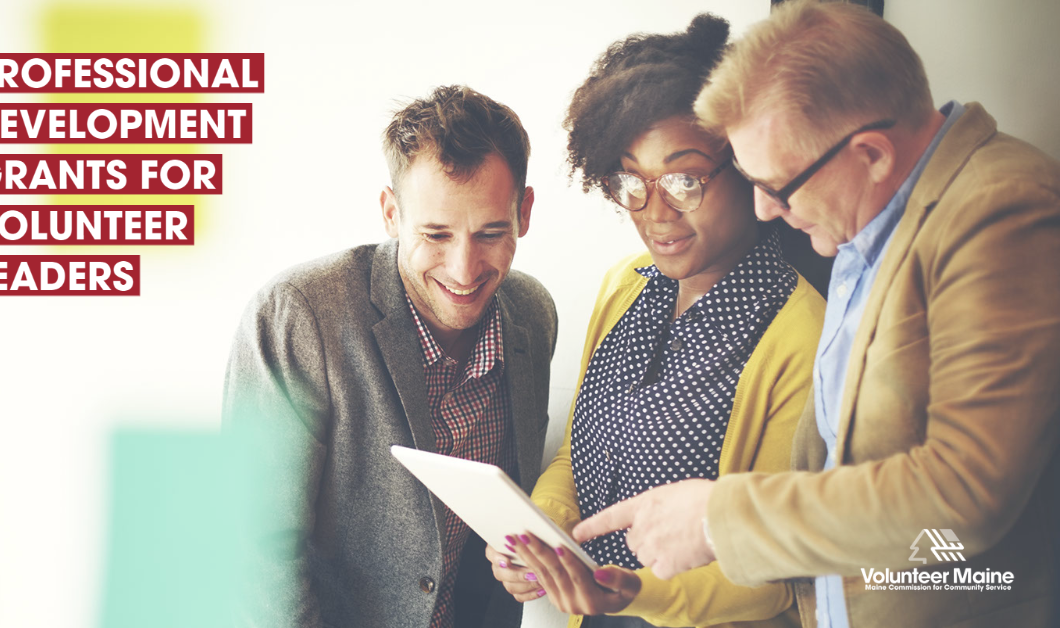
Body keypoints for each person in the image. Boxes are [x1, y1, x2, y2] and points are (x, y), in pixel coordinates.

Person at [573, 1, 1060, 626]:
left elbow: (963, 494)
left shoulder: (1001, 211)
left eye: (777, 186)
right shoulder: (868, 227)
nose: (767, 210)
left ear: (872, 155)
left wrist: (719, 519)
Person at [485, 15, 825, 628]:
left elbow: (777, 570)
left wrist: (632, 595)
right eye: (631, 183)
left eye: (684, 180)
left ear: (745, 166)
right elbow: (580, 455)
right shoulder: (626, 285)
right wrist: (540, 531)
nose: (654, 212)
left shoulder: (799, 334)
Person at [222, 85, 557, 628]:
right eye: (436, 234)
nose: (464, 269)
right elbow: (251, 549)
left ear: (524, 211)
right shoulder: (297, 315)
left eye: (491, 232)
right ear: (390, 212)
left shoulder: (534, 316)